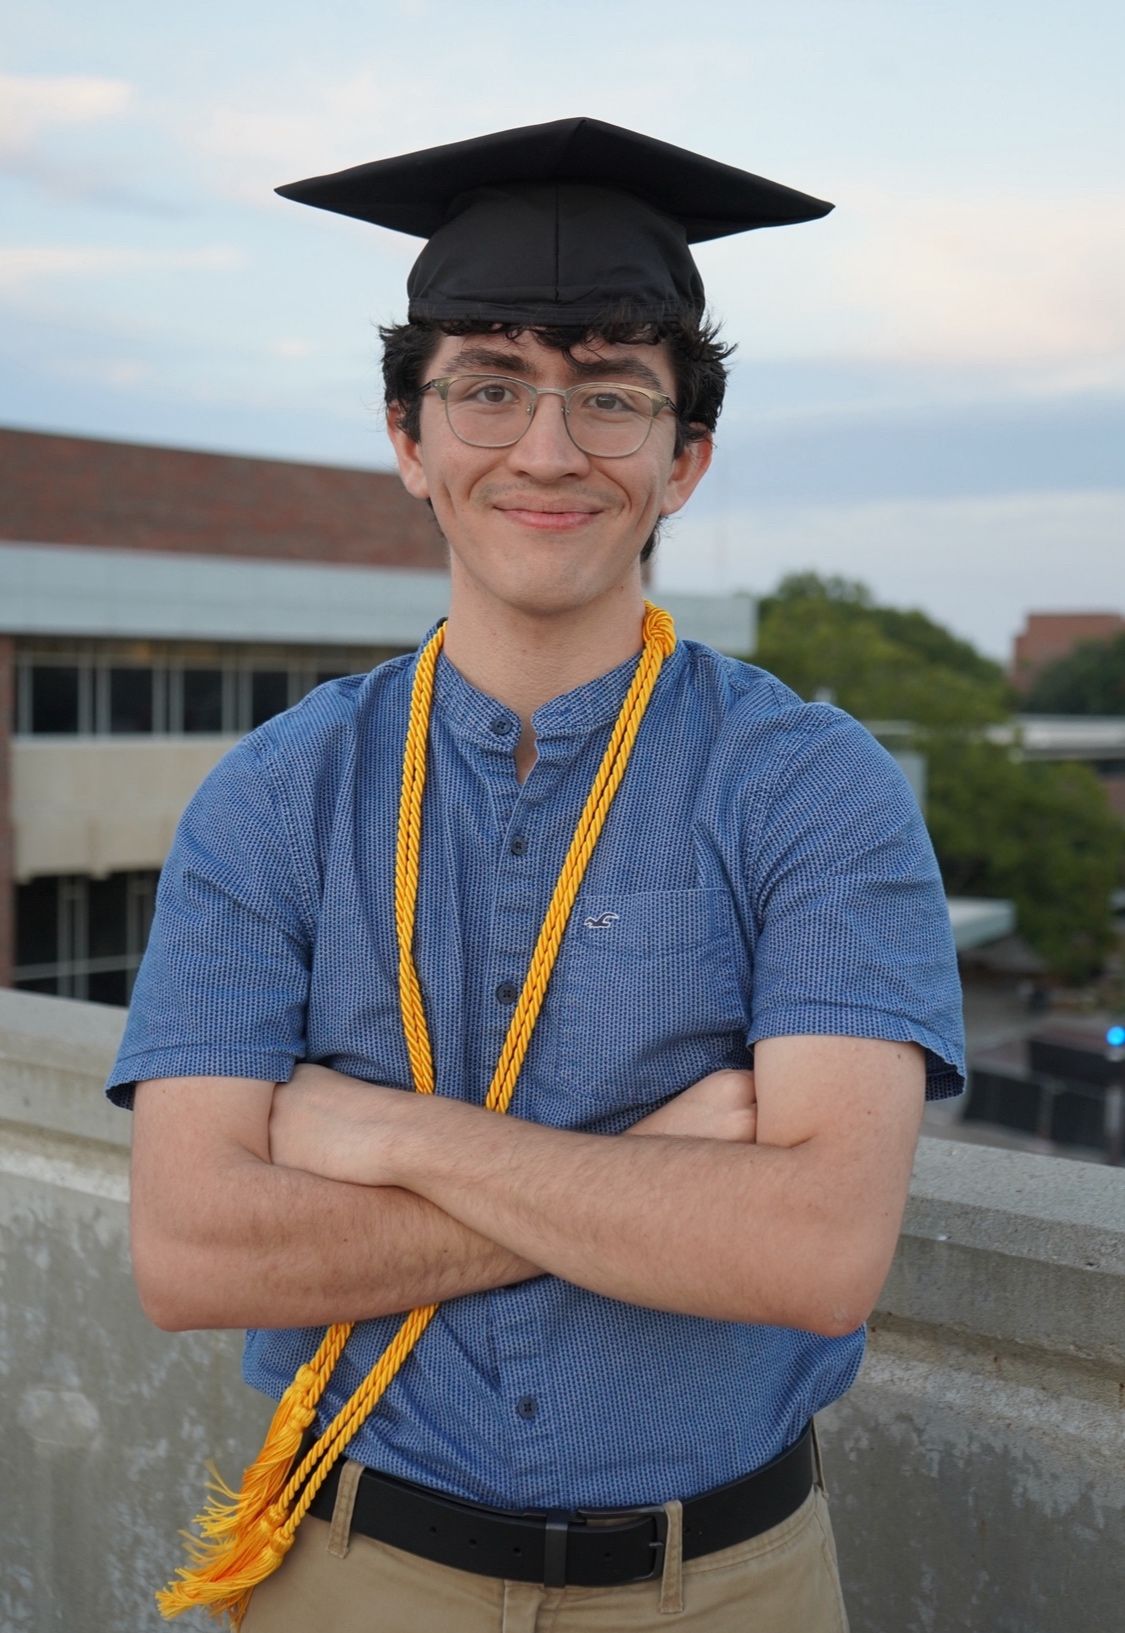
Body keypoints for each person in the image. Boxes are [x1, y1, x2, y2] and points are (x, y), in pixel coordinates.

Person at [109, 117, 965, 1633]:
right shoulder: (274, 798)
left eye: (612, 395)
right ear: (409, 438)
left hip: (724, 1590)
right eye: (489, 385)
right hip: (350, 1575)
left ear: (685, 460)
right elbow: (190, 1253)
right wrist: (654, 1172)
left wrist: (382, 1132)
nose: (548, 449)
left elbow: (818, 1250)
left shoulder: (813, 790)